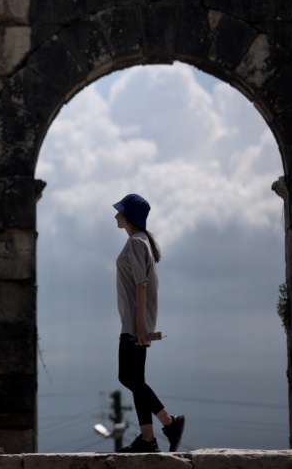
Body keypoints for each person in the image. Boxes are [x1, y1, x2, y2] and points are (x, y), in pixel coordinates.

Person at [113, 194, 185, 453]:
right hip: (136, 323)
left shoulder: (135, 243)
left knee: (128, 377)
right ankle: (147, 439)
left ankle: (169, 422)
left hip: (135, 326)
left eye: (119, 212)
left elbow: (140, 284)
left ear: (129, 217)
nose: (115, 216)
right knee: (135, 378)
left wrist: (140, 325)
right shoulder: (142, 241)